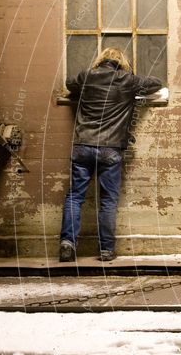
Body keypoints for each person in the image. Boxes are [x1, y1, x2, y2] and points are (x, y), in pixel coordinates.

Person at [59, 48, 163, 262]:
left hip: (83, 145)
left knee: (75, 197)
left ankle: (67, 243)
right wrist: (131, 76)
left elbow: (70, 84)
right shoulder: (127, 80)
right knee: (108, 200)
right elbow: (156, 83)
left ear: (100, 61)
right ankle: (106, 250)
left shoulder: (86, 77)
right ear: (121, 63)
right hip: (110, 148)